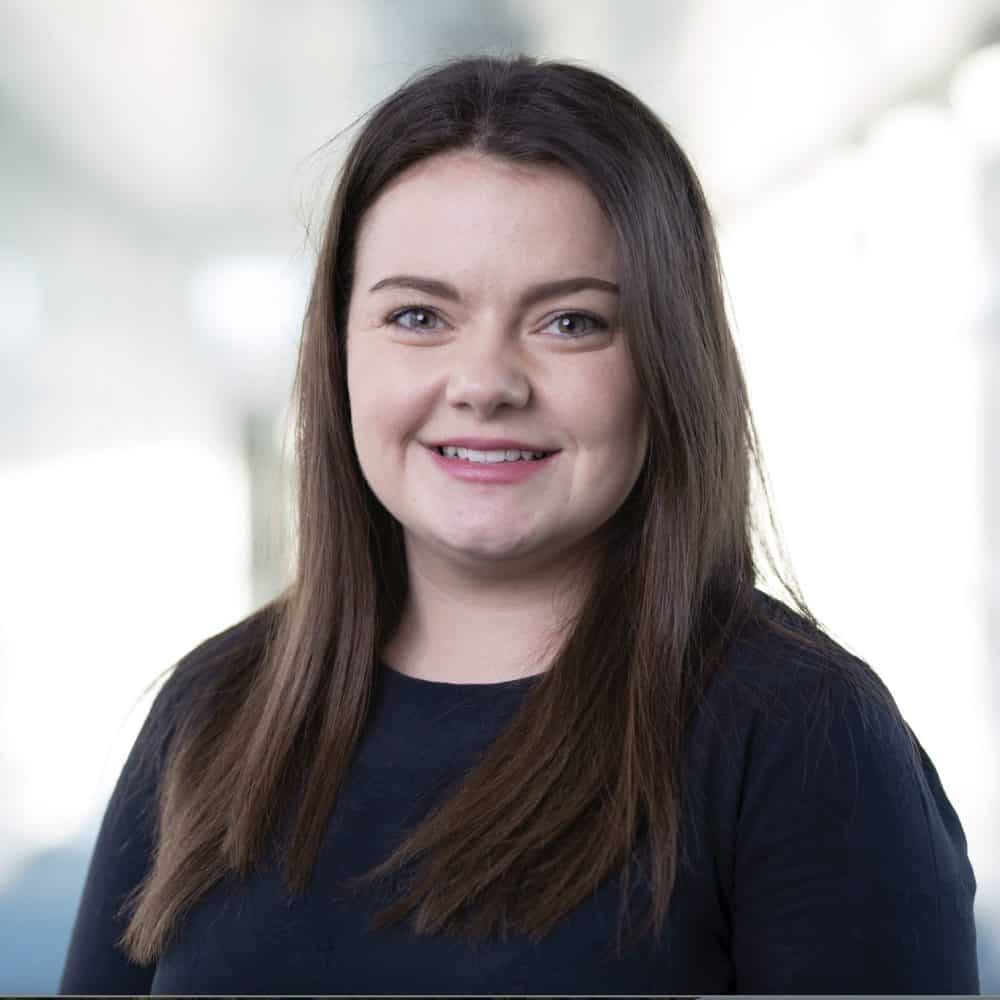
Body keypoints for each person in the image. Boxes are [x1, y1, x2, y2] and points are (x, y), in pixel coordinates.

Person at [59, 54, 979, 994]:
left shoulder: (802, 736)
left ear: (668, 359)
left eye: (571, 322)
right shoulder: (216, 706)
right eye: (419, 316)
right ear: (339, 352)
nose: (486, 383)